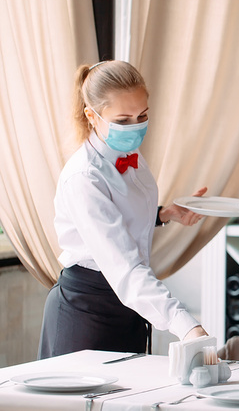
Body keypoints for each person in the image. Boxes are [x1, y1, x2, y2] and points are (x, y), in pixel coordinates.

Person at [39, 60, 208, 359]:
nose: (136, 126)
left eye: (142, 115)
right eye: (124, 120)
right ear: (92, 116)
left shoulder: (127, 152)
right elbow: (124, 267)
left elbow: (115, 217)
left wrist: (162, 214)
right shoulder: (83, 177)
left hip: (129, 306)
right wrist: (186, 325)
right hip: (87, 311)